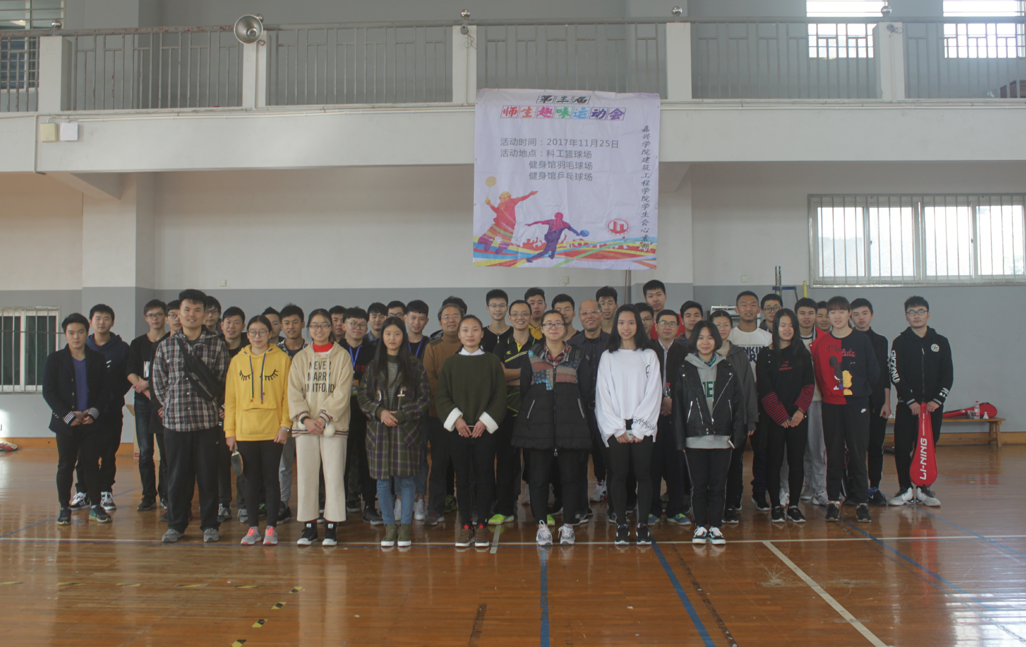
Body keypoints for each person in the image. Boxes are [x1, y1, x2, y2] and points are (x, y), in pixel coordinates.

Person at [152, 289, 230, 543]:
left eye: (197, 310)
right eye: (187, 310)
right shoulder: (166, 346)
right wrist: (170, 404)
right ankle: (176, 525)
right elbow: (158, 382)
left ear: (206, 314)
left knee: (208, 476)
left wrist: (215, 406)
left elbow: (223, 381)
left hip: (207, 422)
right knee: (176, 477)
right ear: (178, 313)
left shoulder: (217, 345)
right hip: (175, 424)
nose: (191, 315)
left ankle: (210, 525)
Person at [514, 310, 592, 546]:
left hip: (571, 427)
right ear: (542, 329)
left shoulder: (578, 355)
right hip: (537, 428)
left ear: (565, 327)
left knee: (570, 478)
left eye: (558, 323)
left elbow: (585, 392)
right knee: (538, 479)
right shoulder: (531, 355)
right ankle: (542, 526)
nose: (554, 328)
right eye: (549, 324)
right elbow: (525, 392)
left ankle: (568, 526)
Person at [358, 317, 431, 548]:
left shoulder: (415, 365)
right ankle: (390, 527)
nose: (392, 338)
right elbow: (363, 397)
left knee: (407, 482)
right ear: (382, 337)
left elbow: (424, 399)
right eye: (388, 334)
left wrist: (402, 414)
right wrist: (379, 412)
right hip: (379, 431)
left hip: (405, 432)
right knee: (382, 483)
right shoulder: (373, 366)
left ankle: (405, 527)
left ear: (403, 337)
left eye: (397, 334)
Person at [434, 315, 507, 548]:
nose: (470, 334)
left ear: (482, 333)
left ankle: (482, 525)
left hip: (484, 432)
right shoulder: (450, 363)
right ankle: (466, 526)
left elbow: (500, 395)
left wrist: (485, 421)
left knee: (485, 477)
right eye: (465, 330)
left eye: (475, 329)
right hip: (459, 432)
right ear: (459, 334)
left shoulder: (492, 361)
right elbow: (442, 396)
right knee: (462, 479)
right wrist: (457, 420)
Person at [674, 321, 746, 546]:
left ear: (717, 340)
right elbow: (678, 407)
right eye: (701, 337)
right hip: (694, 438)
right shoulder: (685, 369)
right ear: (694, 340)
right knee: (698, 486)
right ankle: (699, 527)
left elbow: (738, 403)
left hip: (722, 438)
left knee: (718, 486)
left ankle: (715, 526)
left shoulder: (727, 368)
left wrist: (737, 435)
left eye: (710, 337)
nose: (705, 342)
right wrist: (680, 439)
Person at [596, 305, 662, 546]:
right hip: (617, 428)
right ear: (616, 326)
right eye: (621, 322)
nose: (626, 327)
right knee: (618, 475)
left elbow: (654, 393)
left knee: (644, 475)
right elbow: (603, 395)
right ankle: (622, 525)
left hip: (643, 428)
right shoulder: (608, 356)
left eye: (631, 322)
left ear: (639, 325)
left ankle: (642, 525)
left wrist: (640, 427)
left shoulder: (649, 355)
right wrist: (617, 429)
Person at [810, 296, 880, 523]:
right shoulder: (820, 344)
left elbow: (873, 372)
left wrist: (858, 391)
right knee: (834, 453)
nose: (837, 316)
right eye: (832, 312)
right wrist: (831, 393)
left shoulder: (861, 340)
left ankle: (861, 502)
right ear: (827, 316)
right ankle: (833, 500)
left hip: (857, 404)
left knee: (858, 454)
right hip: (831, 405)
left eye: (841, 311)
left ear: (849, 313)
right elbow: (819, 374)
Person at [224, 315, 292, 546]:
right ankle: (253, 528)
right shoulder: (237, 361)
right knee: (249, 481)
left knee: (271, 479)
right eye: (253, 332)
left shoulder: (282, 359)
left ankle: (271, 527)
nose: (257, 336)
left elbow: (287, 396)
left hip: (273, 431)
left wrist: (285, 426)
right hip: (245, 432)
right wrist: (229, 432)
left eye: (262, 331)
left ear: (270, 333)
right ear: (247, 334)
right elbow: (230, 399)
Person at [288, 309, 353, 547]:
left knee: (333, 475)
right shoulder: (300, 358)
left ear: (332, 327)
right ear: (309, 329)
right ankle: (309, 526)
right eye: (315, 326)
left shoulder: (342, 356)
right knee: (306, 476)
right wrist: (305, 419)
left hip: (333, 425)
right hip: (305, 426)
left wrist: (324, 418)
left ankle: (332, 525)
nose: (319, 330)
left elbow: (342, 392)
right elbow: (293, 391)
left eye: (324, 325)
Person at [44, 313, 112, 525]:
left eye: (80, 332)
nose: (76, 337)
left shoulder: (97, 359)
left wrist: (94, 412)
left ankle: (96, 506)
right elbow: (49, 391)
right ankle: (64, 507)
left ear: (87, 332)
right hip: (66, 424)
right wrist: (67, 416)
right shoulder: (55, 359)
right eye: (71, 332)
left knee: (91, 464)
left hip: (90, 423)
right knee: (65, 465)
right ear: (65, 334)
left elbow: (105, 389)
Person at [888, 296, 953, 508]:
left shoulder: (941, 342)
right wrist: (910, 400)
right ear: (906, 316)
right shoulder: (900, 342)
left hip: (932, 408)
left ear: (928, 314)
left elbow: (948, 374)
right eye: (912, 312)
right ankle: (905, 488)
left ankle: (924, 489)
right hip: (908, 407)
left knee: (926, 447)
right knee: (902, 447)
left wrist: (937, 399)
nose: (916, 316)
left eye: (921, 311)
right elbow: (895, 374)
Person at [757, 309, 815, 524]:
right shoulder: (765, 354)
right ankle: (775, 506)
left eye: (791, 325)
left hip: (798, 418)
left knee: (796, 462)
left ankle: (793, 506)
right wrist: (781, 416)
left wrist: (799, 411)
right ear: (775, 327)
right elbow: (765, 390)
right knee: (774, 462)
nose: (787, 329)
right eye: (783, 325)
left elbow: (809, 385)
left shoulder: (802, 353)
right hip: (774, 420)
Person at [709, 309, 759, 525]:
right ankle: (713, 505)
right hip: (711, 422)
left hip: (736, 420)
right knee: (713, 466)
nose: (721, 328)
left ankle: (731, 504)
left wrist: (750, 418)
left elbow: (748, 387)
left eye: (725, 324)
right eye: (717, 325)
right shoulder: (703, 353)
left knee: (734, 464)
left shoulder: (739, 355)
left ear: (731, 327)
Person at [726, 291, 773, 516]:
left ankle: (759, 492)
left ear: (759, 310)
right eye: (743, 305)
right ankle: (734, 494)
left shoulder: (767, 338)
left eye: (753, 305)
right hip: (736, 402)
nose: (748, 308)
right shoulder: (730, 336)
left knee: (762, 450)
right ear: (736, 310)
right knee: (734, 452)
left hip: (762, 400)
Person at [82, 304, 130, 514]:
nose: (101, 322)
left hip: (111, 409)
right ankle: (82, 491)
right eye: (97, 318)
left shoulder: (122, 348)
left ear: (112, 322)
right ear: (90, 321)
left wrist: (111, 397)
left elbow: (127, 377)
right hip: (86, 411)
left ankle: (105, 491)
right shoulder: (83, 345)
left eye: (106, 318)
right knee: (85, 454)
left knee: (109, 453)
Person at [491, 299, 533, 525]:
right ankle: (505, 508)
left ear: (530, 317)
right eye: (515, 314)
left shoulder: (540, 344)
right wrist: (526, 373)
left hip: (534, 412)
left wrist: (512, 376)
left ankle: (540, 508)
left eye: (524, 313)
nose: (520, 317)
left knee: (536, 463)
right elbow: (498, 376)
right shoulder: (502, 345)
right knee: (506, 463)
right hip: (506, 412)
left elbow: (543, 375)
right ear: (509, 318)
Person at [423, 302, 464, 525]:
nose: (451, 320)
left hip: (468, 416)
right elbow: (430, 379)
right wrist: (451, 410)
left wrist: (463, 409)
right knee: (439, 464)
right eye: (446, 317)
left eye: (455, 316)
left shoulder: (471, 344)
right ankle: (435, 508)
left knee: (466, 465)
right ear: (440, 322)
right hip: (439, 415)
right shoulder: (433, 347)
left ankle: (470, 508)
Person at [338, 307, 380, 523]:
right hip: (340, 415)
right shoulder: (335, 350)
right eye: (352, 324)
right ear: (343, 325)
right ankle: (338, 507)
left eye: (362, 324)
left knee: (367, 462)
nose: (357, 328)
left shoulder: (375, 351)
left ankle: (370, 506)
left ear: (367, 327)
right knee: (341, 463)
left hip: (367, 416)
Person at [648, 310, 689, 526]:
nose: (667, 327)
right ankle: (652, 509)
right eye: (663, 322)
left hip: (676, 415)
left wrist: (673, 402)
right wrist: (659, 401)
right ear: (656, 325)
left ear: (678, 327)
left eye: (672, 323)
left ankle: (676, 510)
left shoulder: (685, 352)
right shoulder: (646, 350)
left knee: (676, 465)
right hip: (650, 416)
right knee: (652, 465)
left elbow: (690, 384)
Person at [569, 300, 611, 508]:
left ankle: (610, 494)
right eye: (585, 313)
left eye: (594, 311)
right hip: (581, 410)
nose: (590, 316)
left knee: (608, 453)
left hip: (608, 410)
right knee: (579, 457)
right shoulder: (572, 345)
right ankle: (579, 506)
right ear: (579, 316)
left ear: (601, 314)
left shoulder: (613, 342)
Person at [126, 299, 167, 512]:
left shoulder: (170, 341)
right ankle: (148, 495)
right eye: (151, 315)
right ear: (146, 318)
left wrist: (148, 383)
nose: (155, 319)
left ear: (165, 317)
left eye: (159, 314)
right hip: (143, 403)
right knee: (145, 451)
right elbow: (130, 372)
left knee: (165, 452)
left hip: (164, 405)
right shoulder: (137, 343)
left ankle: (166, 495)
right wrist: (146, 390)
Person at [850, 298, 891, 506]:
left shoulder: (881, 341)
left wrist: (887, 402)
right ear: (850, 317)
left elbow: (885, 374)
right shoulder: (846, 340)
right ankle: (856, 489)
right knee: (855, 449)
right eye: (856, 314)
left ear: (871, 315)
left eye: (864, 313)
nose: (861, 318)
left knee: (875, 446)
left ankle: (874, 488)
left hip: (877, 402)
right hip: (853, 402)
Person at [275, 303, 308, 524]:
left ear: (303, 324)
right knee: (283, 464)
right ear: (281, 326)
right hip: (284, 417)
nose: (291, 326)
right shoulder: (274, 351)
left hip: (308, 416)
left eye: (295, 322)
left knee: (308, 464)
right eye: (286, 323)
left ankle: (309, 505)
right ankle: (283, 504)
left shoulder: (312, 350)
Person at [794, 298, 827, 507]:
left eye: (811, 313)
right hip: (795, 403)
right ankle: (808, 486)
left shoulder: (825, 339)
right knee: (802, 448)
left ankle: (820, 488)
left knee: (818, 447)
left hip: (818, 400)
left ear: (816, 315)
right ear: (796, 315)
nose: (807, 317)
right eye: (802, 313)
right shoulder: (789, 337)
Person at [218, 306, 247, 522]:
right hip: (218, 413)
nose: (231, 326)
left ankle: (244, 505)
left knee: (242, 461)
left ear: (243, 326)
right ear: (221, 325)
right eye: (228, 322)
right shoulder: (215, 347)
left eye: (236, 322)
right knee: (220, 462)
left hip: (243, 414)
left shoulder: (248, 350)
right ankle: (223, 503)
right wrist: (220, 407)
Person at [404, 299, 431, 520]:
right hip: (399, 410)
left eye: (421, 319)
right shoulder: (395, 341)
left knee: (421, 455)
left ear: (427, 321)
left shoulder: (431, 345)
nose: (416, 322)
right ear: (405, 318)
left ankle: (420, 498)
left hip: (423, 408)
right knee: (400, 456)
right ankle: (400, 499)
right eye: (413, 317)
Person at [480, 189, 538, 254]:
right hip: (500, 222)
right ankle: (489, 243)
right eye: (500, 198)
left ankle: (500, 248)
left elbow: (522, 198)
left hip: (508, 224)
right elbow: (497, 211)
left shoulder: (512, 201)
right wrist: (490, 204)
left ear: (506, 198)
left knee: (505, 237)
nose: (501, 199)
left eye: (502, 198)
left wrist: (529, 194)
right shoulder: (500, 204)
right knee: (493, 233)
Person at [482, 289, 511, 354]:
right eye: (493, 305)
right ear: (487, 309)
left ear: (507, 308)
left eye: (502, 305)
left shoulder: (514, 333)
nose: (498, 309)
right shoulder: (481, 334)